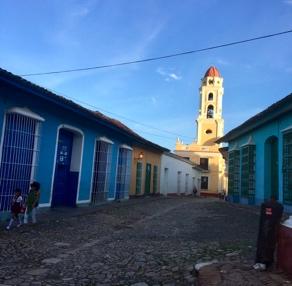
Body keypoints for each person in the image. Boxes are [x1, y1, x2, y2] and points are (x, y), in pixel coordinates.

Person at [253, 195, 283, 271]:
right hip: (272, 228)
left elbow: (264, 217)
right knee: (270, 245)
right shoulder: (278, 206)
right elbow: (278, 218)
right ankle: (267, 262)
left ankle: (261, 261)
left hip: (264, 227)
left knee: (263, 244)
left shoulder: (265, 205)